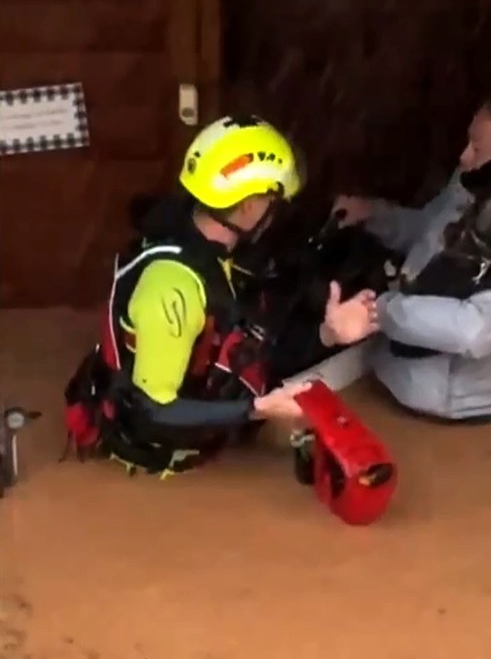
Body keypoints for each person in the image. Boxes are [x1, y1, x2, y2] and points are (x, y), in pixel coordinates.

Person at [64, 116, 378, 475]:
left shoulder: (222, 255)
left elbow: (250, 348)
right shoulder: (172, 288)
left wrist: (328, 335)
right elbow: (151, 411)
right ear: (248, 206)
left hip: (206, 395)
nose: (277, 213)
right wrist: (256, 411)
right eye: (273, 202)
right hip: (158, 451)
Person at [334, 94, 491, 421]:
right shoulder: (474, 186)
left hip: (464, 400)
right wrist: (372, 214)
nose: (464, 157)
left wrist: (379, 312)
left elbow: (477, 329)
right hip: (398, 373)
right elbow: (429, 234)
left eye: (477, 148)